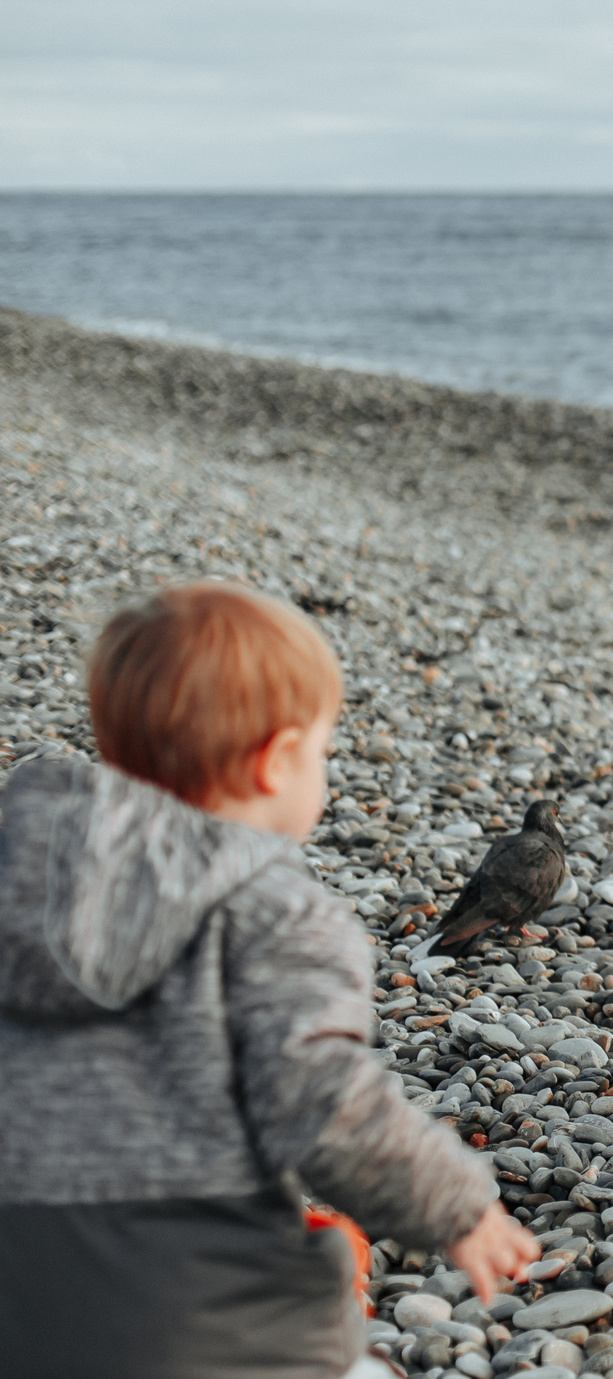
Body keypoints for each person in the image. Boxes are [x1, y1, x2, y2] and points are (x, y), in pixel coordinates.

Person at [0, 582, 539, 1379]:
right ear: (273, 759)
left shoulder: (18, 879)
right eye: (320, 752)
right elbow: (325, 1103)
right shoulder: (271, 915)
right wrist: (456, 1206)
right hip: (198, 1319)